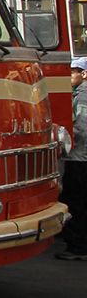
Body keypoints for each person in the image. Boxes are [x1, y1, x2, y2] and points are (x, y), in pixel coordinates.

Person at [57, 57, 87, 261]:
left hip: (79, 159)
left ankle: (77, 247)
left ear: (83, 74)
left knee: (74, 202)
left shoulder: (83, 95)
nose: (69, 76)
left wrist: (63, 141)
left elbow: (81, 128)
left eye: (73, 71)